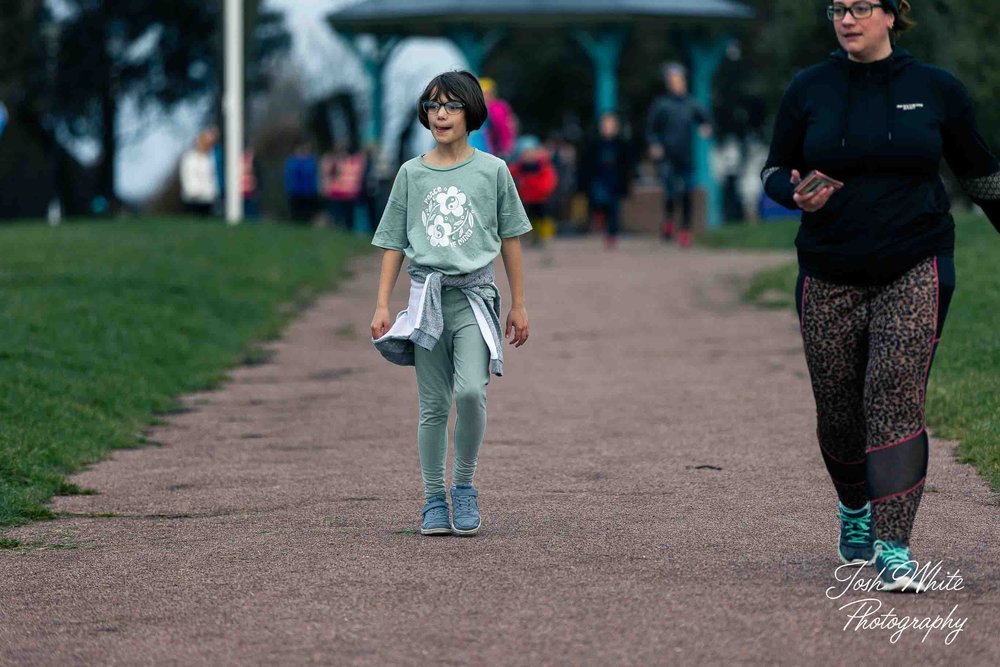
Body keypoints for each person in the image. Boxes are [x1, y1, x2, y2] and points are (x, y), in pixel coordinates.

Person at [761, 0, 1000, 592]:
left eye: (862, 7)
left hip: (914, 262)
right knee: (839, 410)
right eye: (837, 8)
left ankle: (895, 546)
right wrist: (791, 193)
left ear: (893, 15)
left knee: (893, 393)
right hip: (829, 267)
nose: (847, 18)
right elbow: (774, 169)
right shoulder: (808, 88)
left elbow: (979, 172)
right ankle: (855, 510)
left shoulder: (935, 88)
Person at [369, 71, 532, 536]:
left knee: (470, 393)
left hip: (474, 298)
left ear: (471, 112)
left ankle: (463, 487)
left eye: (451, 105)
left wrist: (518, 304)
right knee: (434, 405)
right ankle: (433, 500)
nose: (440, 113)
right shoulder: (410, 174)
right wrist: (383, 304)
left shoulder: (493, 171)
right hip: (427, 300)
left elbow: (512, 239)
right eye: (432, 105)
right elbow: (392, 243)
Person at [646, 62, 712, 247]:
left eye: (679, 80)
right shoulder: (661, 105)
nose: (676, 83)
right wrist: (654, 144)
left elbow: (705, 120)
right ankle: (668, 222)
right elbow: (651, 129)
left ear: (684, 81)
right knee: (670, 192)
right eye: (672, 80)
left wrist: (705, 128)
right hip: (667, 157)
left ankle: (685, 230)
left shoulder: (691, 104)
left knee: (687, 193)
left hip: (686, 157)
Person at [580, 111, 633, 249]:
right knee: (599, 201)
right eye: (605, 124)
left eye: (611, 125)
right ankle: (599, 217)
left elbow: (627, 165)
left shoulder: (622, 144)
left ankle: (612, 234)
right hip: (598, 179)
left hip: (614, 180)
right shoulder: (593, 143)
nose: (608, 127)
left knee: (614, 207)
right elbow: (585, 164)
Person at [509, 136, 559, 246]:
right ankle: (534, 237)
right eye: (524, 153)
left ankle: (546, 238)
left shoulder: (543, 166)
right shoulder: (520, 167)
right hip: (528, 198)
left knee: (544, 217)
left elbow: (548, 182)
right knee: (530, 218)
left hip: (542, 198)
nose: (527, 156)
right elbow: (508, 173)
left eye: (529, 152)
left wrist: (533, 185)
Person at [321, 141, 367, 230]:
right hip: (337, 191)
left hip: (348, 192)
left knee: (348, 215)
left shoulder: (353, 160)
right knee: (338, 214)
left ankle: (345, 228)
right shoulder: (333, 160)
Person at [179, 129, 219, 216]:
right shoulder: (189, 157)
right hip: (192, 196)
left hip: (207, 197)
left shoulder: (210, 158)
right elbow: (186, 176)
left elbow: (211, 178)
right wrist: (191, 190)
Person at [480, 77, 517, 159]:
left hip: (496, 150)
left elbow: (503, 128)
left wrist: (506, 148)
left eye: (486, 93)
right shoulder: (480, 108)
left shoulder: (497, 107)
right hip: (487, 148)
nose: (484, 97)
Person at [284, 141, 320, 223]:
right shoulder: (292, 161)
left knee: (308, 213)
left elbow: (314, 175)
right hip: (295, 191)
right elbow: (289, 176)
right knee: (296, 213)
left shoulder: (311, 161)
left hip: (308, 191)